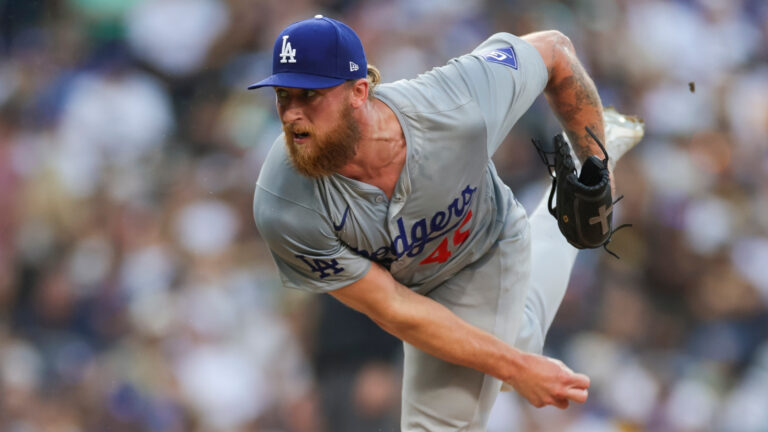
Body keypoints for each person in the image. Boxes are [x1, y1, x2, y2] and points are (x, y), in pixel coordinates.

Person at [248, 15, 644, 431]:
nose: (291, 114)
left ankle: (603, 142)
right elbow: (394, 308)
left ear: (358, 92)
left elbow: (554, 50)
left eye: (309, 95)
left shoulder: (455, 102)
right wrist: (517, 367)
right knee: (516, 342)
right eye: (282, 95)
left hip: (483, 249)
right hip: (412, 288)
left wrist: (594, 162)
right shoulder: (283, 202)